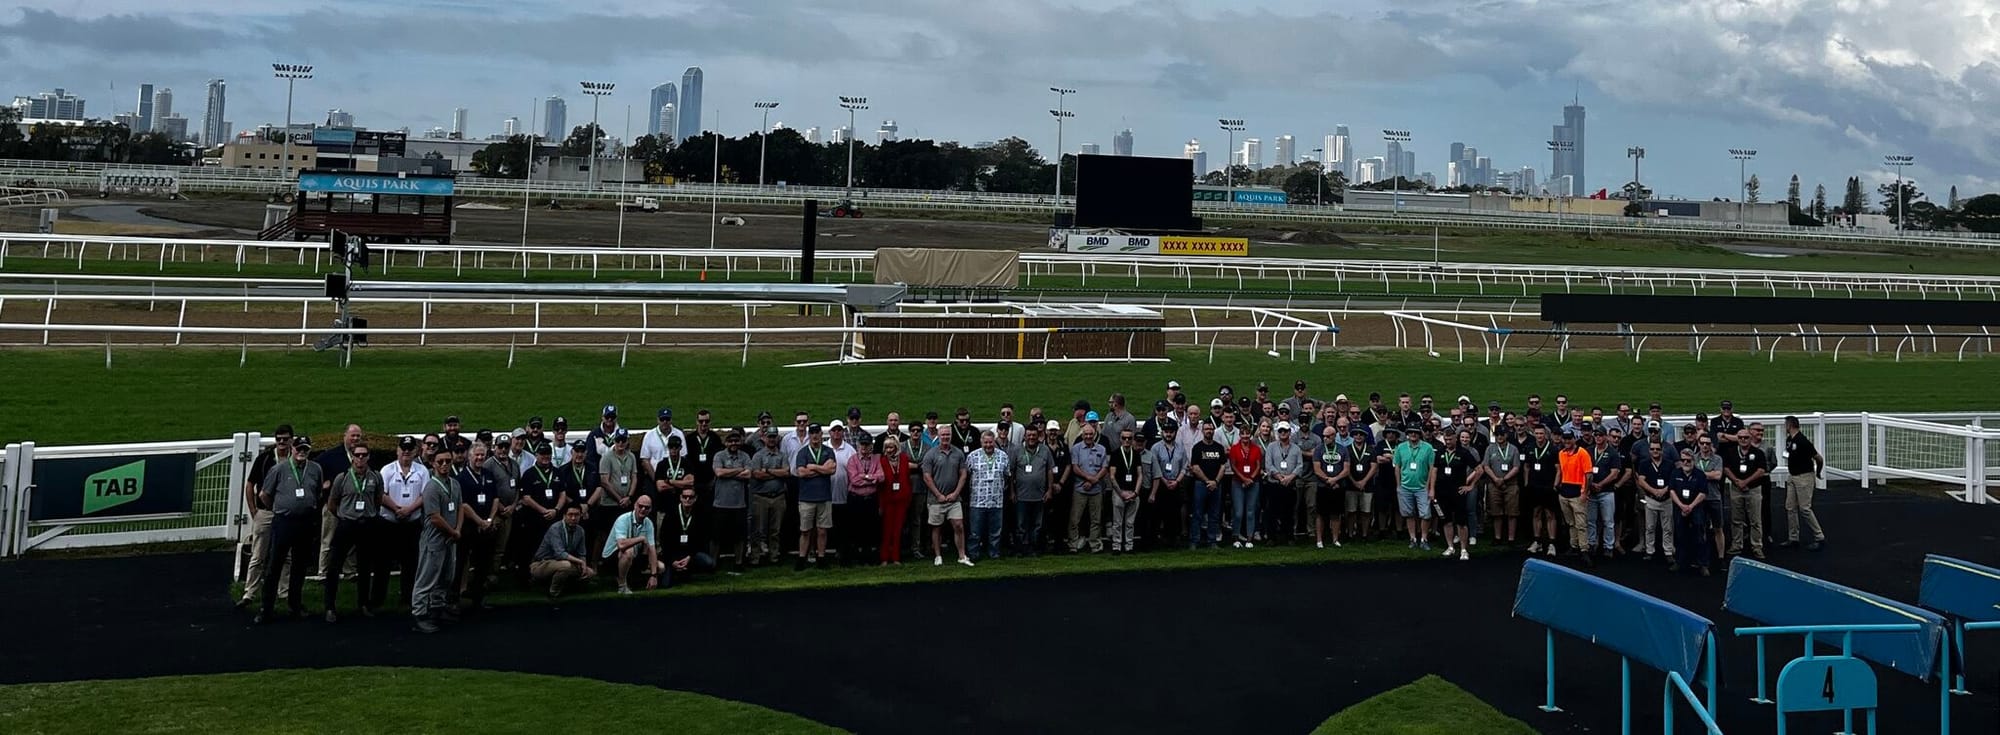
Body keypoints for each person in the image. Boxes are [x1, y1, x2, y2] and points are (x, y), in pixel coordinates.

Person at [256, 435, 324, 624]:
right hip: (284, 521)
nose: (301, 452)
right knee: (274, 565)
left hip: (305, 522)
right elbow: (264, 494)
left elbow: (317, 492)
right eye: (298, 448)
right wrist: (278, 509)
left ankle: (295, 605)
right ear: (292, 449)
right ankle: (266, 608)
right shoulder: (279, 469)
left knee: (299, 566)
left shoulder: (315, 469)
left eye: (305, 449)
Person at [323, 441, 380, 622]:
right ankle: (330, 606)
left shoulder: (376, 477)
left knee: (364, 567)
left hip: (367, 524)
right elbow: (332, 502)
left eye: (364, 455)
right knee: (335, 566)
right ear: (352, 457)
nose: (361, 458)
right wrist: (343, 516)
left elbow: (378, 499)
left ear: (368, 457)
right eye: (357, 455)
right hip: (347, 524)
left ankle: (363, 604)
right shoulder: (342, 478)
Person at [238, 425, 294, 610]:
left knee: (286, 555)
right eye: (278, 439)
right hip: (265, 513)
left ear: (291, 439)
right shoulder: (265, 459)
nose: (281, 442)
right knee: (258, 555)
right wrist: (253, 511)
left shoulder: (296, 460)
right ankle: (249, 592)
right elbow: (250, 484)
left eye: (285, 439)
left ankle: (283, 591)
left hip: (286, 513)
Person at [412, 446, 462, 634]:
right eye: (440, 461)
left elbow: (460, 508)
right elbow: (434, 517)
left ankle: (438, 608)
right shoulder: (431, 487)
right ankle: (419, 614)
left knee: (446, 576)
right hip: (434, 539)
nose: (444, 465)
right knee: (427, 577)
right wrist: (452, 531)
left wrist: (457, 529)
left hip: (451, 539)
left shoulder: (454, 484)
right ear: (433, 463)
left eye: (448, 461)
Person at [376, 436, 429, 608]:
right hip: (389, 523)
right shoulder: (387, 470)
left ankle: (408, 598)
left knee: (411, 563)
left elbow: (424, 495)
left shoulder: (422, 471)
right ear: (398, 450)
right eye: (403, 448)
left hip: (412, 523)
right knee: (383, 563)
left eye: (410, 449)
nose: (406, 452)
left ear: (415, 451)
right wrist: (397, 509)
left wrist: (409, 510)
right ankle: (378, 599)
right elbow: (381, 494)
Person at [454, 443, 501, 612]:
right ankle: (455, 599)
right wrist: (479, 521)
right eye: (477, 455)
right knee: (461, 563)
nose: (480, 458)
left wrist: (489, 519)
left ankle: (478, 597)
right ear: (470, 457)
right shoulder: (462, 478)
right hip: (468, 527)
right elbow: (463, 504)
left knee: (483, 564)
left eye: (483, 455)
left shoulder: (488, 475)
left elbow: (495, 498)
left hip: (486, 526)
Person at [922, 428, 972, 566]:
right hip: (935, 499)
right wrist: (938, 494)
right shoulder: (930, 454)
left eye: (948, 435)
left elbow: (963, 474)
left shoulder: (958, 453)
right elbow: (926, 476)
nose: (945, 437)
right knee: (936, 527)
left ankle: (962, 555)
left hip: (954, 498)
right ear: (938, 436)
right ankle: (938, 556)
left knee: (959, 526)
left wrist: (956, 493)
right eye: (943, 434)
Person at [793, 424, 838, 570]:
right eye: (811, 433)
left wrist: (813, 467)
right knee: (805, 530)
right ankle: (802, 558)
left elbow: (831, 469)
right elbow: (801, 473)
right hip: (806, 498)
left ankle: (821, 557)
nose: (814, 436)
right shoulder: (803, 452)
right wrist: (822, 469)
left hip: (824, 497)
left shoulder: (828, 451)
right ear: (809, 435)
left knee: (822, 530)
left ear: (821, 434)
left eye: (817, 433)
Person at [591, 430, 638, 565]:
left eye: (623, 440)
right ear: (614, 441)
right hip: (609, 503)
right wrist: (619, 498)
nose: (621, 443)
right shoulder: (607, 457)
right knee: (603, 534)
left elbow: (634, 477)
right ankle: (595, 563)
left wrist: (629, 496)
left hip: (626, 502)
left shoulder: (631, 457)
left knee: (625, 534)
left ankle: (619, 563)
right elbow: (604, 481)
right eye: (618, 440)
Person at [710, 429, 753, 572]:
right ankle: (713, 563)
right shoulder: (719, 455)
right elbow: (719, 472)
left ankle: (738, 563)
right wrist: (738, 470)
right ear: (726, 442)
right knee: (716, 536)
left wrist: (728, 471)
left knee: (739, 536)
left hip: (739, 504)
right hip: (720, 503)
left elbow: (748, 474)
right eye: (731, 441)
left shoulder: (745, 456)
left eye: (736, 440)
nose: (734, 443)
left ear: (740, 442)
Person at [1781, 416, 1825, 551]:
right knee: (1790, 507)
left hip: (1804, 477)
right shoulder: (1790, 440)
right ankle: (1793, 537)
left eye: (1785, 425)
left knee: (1805, 508)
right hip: (1793, 476)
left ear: (1789, 425)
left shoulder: (1803, 441)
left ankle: (1819, 537)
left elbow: (1818, 458)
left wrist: (1818, 472)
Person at [533, 505, 597, 598]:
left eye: (577, 515)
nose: (573, 518)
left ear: (581, 516)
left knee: (590, 572)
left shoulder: (580, 530)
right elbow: (560, 554)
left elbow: (581, 553)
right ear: (564, 516)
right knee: (565, 565)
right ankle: (553, 593)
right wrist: (580, 562)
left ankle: (569, 589)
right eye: (570, 515)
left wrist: (584, 565)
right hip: (542, 563)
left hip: (564, 562)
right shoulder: (555, 528)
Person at [1066, 417, 1109, 553]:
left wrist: (1094, 480)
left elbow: (1104, 468)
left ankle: (1095, 544)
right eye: (1086, 434)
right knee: (1075, 519)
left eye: (1091, 434)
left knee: (1096, 520)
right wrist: (1088, 478)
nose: (1089, 436)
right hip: (1080, 488)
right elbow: (1075, 467)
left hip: (1096, 489)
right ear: (1082, 435)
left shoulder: (1101, 449)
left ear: (1094, 434)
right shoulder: (1076, 449)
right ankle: (1073, 544)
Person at [1010, 426, 1056, 556]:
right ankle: (1021, 548)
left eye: (1034, 435)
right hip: (1021, 495)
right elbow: (1012, 472)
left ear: (1038, 436)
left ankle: (1034, 548)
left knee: (1037, 525)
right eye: (1029, 435)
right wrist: (1012, 492)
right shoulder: (1017, 450)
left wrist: (1049, 490)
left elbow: (1049, 470)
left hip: (1039, 496)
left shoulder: (1045, 450)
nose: (1031, 438)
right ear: (1025, 436)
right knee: (1021, 524)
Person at [748, 428, 791, 565]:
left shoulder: (782, 455)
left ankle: (774, 557)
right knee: (758, 530)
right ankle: (755, 557)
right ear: (764, 438)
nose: (772, 439)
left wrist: (767, 471)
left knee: (775, 530)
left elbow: (786, 472)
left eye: (774, 437)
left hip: (778, 496)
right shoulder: (758, 456)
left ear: (777, 438)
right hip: (761, 497)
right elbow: (756, 475)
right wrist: (776, 473)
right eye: (769, 437)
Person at [1145, 420, 1189, 550]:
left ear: (1175, 433)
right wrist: (1165, 481)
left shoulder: (1180, 448)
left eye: (1171, 432)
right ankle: (1155, 540)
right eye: (1166, 432)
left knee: (1174, 513)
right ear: (1162, 433)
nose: (1168, 434)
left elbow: (1184, 467)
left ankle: (1172, 540)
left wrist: (1176, 481)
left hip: (1176, 484)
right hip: (1161, 485)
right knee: (1158, 513)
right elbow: (1155, 467)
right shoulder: (1156, 447)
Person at [1725, 430, 1769, 560]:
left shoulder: (1758, 453)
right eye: (1740, 437)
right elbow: (1726, 469)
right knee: (1736, 519)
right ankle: (1736, 545)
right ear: (1737, 438)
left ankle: (1757, 546)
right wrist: (1737, 481)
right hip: (1736, 488)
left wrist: (1746, 481)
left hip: (1753, 489)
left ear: (1750, 438)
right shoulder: (1731, 452)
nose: (1743, 440)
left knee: (1755, 520)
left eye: (1746, 437)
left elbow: (1761, 470)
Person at [1436, 430, 1479, 560]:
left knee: (1461, 522)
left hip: (1458, 491)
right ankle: (1450, 547)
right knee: (1446, 520)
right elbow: (1434, 470)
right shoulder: (1440, 452)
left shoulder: (1464, 453)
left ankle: (1464, 549)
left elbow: (1479, 469)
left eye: (1450, 440)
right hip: (1443, 491)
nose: (1448, 442)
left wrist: (1470, 485)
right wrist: (1432, 489)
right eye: (1446, 440)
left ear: (1456, 439)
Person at [1668, 449, 1712, 575]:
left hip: (1696, 508)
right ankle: (1679, 562)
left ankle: (1703, 564)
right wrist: (1682, 506)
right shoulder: (1675, 473)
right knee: (1680, 535)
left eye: (1689, 460)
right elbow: (1671, 491)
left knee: (1700, 536)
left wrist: (1690, 506)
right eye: (1683, 460)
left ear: (1694, 460)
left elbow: (1703, 493)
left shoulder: (1700, 475)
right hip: (1679, 507)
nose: (1686, 462)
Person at [1392, 425, 1437, 551]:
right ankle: (1413, 538)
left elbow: (1432, 468)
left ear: (1420, 434)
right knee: (1409, 514)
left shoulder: (1428, 448)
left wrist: (1429, 486)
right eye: (1411, 432)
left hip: (1422, 487)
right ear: (1407, 434)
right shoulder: (1400, 448)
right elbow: (1397, 467)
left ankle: (1424, 538)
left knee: (1425, 514)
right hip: (1405, 487)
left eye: (1416, 432)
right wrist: (1398, 485)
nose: (1413, 434)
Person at [967, 430, 1009, 559]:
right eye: (985, 442)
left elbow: (1007, 476)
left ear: (994, 442)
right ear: (981, 442)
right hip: (977, 500)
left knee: (995, 530)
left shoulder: (1003, 456)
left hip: (997, 499)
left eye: (990, 442)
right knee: (975, 531)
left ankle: (994, 553)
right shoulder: (972, 456)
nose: (988, 445)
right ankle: (973, 553)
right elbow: (967, 475)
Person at [661, 487, 714, 587]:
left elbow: (701, 540)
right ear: (680, 497)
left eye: (690, 497)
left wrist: (689, 557)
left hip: (691, 553)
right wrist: (672, 561)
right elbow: (664, 539)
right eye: (685, 497)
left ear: (695, 498)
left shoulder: (700, 514)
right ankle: (676, 569)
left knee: (709, 562)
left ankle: (688, 570)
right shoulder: (671, 514)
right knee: (665, 585)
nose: (687, 499)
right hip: (673, 554)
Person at [843, 432, 882, 564]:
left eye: (867, 444)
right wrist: (871, 478)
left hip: (871, 499)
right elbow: (854, 480)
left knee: (870, 529)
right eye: (862, 444)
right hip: (856, 499)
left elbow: (881, 477)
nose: (864, 447)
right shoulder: (852, 459)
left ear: (871, 445)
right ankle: (855, 557)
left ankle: (869, 557)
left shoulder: (877, 459)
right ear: (858, 445)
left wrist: (864, 477)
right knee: (855, 528)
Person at [1555, 430, 1593, 563]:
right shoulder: (1561, 453)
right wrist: (1557, 486)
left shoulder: (1582, 453)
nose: (1566, 441)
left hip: (1578, 492)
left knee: (1581, 524)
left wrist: (1585, 493)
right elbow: (1561, 471)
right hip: (1565, 491)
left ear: (1574, 439)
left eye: (1569, 439)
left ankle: (1584, 549)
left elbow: (1588, 475)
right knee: (1571, 523)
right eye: (1564, 439)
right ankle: (1574, 545)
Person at [1585, 429, 1623, 561]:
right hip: (1591, 491)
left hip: (1606, 491)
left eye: (1600, 435)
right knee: (1591, 520)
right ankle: (1591, 543)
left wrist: (1600, 484)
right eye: (1596, 435)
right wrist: (1590, 485)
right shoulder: (1589, 451)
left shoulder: (1612, 453)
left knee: (1608, 521)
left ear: (1606, 437)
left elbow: (1615, 473)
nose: (1598, 437)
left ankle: (1608, 546)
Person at [1106, 429, 1145, 554]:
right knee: (1117, 522)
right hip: (1119, 492)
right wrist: (1120, 492)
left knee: (1130, 522)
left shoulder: (1136, 454)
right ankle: (1116, 546)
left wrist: (1136, 492)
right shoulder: (1116, 454)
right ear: (1120, 439)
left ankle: (1129, 545)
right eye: (1124, 438)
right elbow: (1112, 476)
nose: (1127, 440)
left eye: (1129, 438)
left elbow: (1140, 474)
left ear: (1132, 439)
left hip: (1133, 492)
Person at [1634, 440, 1674, 561]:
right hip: (1651, 499)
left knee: (1667, 528)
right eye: (1652, 449)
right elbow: (1641, 480)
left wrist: (1664, 490)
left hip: (1666, 499)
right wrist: (1653, 491)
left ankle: (1668, 551)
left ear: (1662, 450)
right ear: (1649, 450)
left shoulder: (1669, 463)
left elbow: (1673, 480)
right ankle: (1649, 550)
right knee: (1650, 527)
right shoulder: (1644, 464)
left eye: (1657, 449)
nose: (1655, 451)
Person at [1228, 421, 1266, 548]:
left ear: (1250, 435)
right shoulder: (1234, 448)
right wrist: (1244, 479)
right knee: (1238, 512)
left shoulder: (1256, 449)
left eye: (1247, 434)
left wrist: (1250, 479)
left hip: (1253, 482)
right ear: (1239, 435)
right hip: (1238, 482)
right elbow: (1233, 466)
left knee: (1251, 511)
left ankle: (1250, 538)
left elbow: (1258, 465)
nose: (1245, 436)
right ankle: (1236, 537)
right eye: (1242, 434)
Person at [878, 435, 914, 564]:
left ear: (896, 447)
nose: (889, 450)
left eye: (891, 447)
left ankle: (896, 557)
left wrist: (908, 497)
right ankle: (884, 558)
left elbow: (907, 479)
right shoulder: (881, 461)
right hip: (887, 500)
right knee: (887, 530)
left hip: (901, 499)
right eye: (887, 447)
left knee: (898, 529)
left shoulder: (903, 459)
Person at [1482, 425, 1521, 544]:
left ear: (1506, 435)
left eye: (1502, 434)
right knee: (1496, 512)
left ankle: (1511, 538)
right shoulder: (1490, 449)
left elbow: (1516, 467)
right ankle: (1497, 537)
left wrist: (1504, 479)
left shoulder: (1513, 449)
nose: (1499, 436)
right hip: (1494, 484)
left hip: (1511, 484)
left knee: (1512, 512)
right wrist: (1495, 479)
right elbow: (1486, 465)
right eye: (1497, 434)